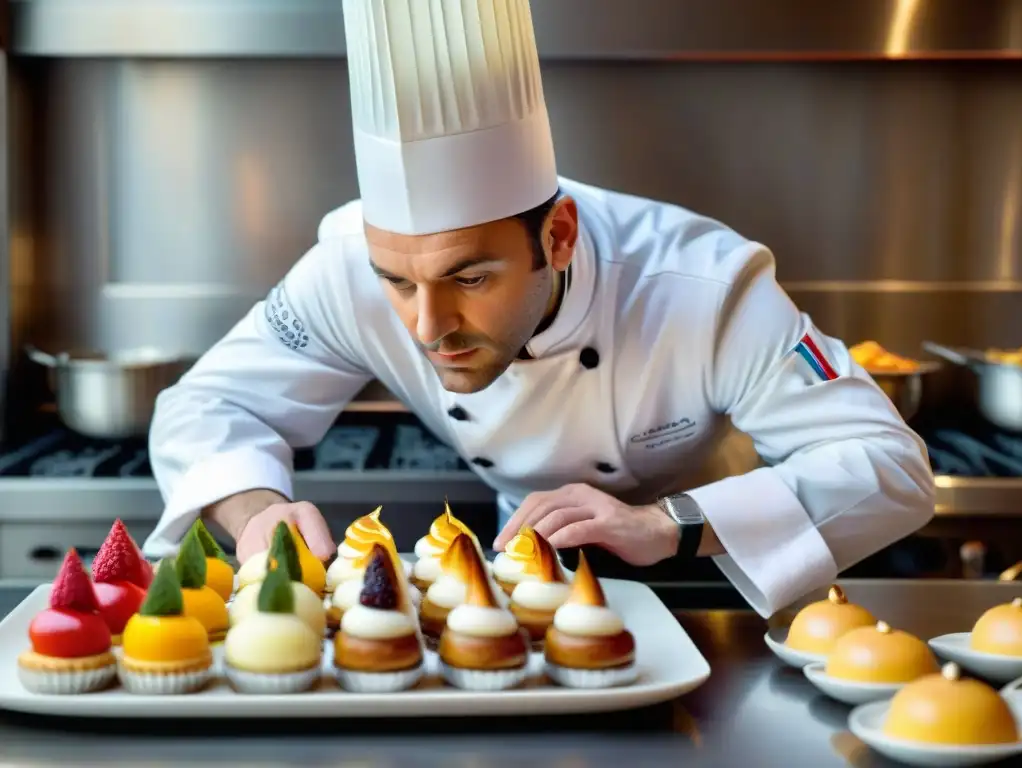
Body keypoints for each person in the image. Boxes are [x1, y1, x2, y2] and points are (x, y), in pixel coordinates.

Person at [142, 0, 935, 617]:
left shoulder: (702, 287)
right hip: (523, 584)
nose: (427, 327)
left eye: (471, 278)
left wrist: (671, 523)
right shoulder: (348, 267)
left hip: (718, 584)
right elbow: (207, 405)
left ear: (557, 236)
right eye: (400, 283)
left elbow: (890, 466)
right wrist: (257, 512)